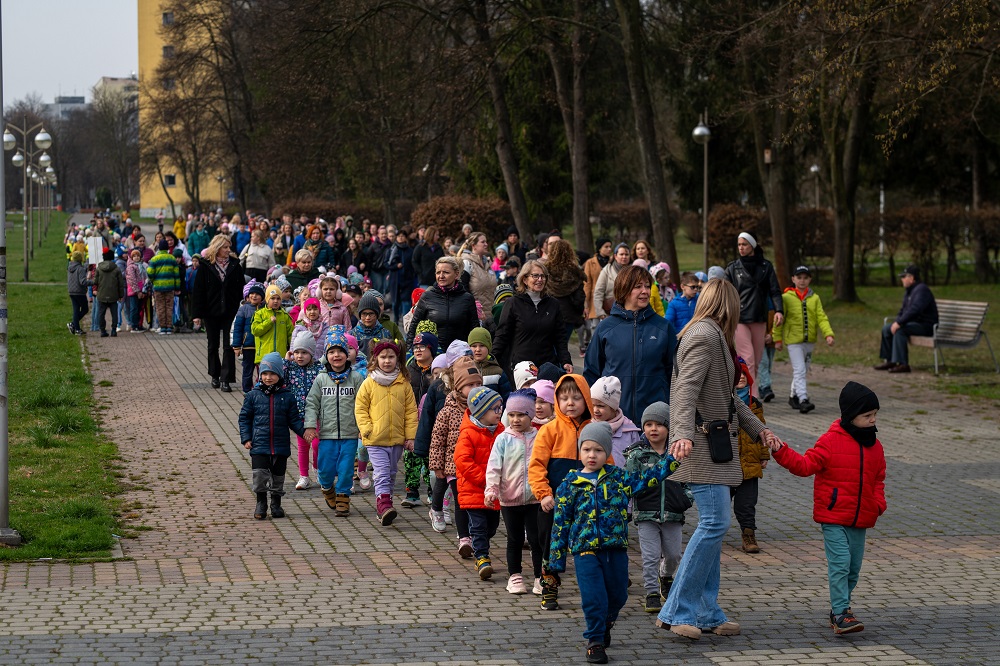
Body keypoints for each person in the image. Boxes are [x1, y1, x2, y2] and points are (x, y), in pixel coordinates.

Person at [654, 278, 776, 640]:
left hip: (713, 448)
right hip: (701, 447)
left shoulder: (711, 336)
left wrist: (758, 430)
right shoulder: (704, 337)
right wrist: (680, 435)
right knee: (714, 524)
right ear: (729, 306)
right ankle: (677, 610)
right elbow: (684, 391)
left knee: (715, 526)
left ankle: (707, 612)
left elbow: (729, 399)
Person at [548, 421, 678, 664]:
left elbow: (648, 478)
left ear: (606, 452)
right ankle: (595, 641)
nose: (592, 455)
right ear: (580, 451)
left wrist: (671, 461)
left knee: (618, 595)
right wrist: (554, 562)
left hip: (615, 548)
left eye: (598, 450)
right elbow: (560, 524)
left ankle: (606, 623)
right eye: (586, 449)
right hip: (585, 551)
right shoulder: (569, 484)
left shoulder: (618, 478)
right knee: (594, 597)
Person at [769, 381, 887, 635]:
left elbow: (879, 478)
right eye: (867, 415)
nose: (872, 420)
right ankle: (842, 612)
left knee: (853, 570)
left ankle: (839, 610)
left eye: (874, 415)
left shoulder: (875, 446)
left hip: (862, 517)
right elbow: (804, 466)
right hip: (833, 516)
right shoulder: (830, 441)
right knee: (841, 563)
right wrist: (781, 451)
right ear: (851, 416)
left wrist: (878, 503)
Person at [528, 373, 595, 611]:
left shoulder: (595, 430)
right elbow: (536, 466)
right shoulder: (549, 431)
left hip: (588, 504)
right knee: (550, 546)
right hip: (554, 503)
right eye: (564, 398)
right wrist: (544, 493)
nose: (570, 403)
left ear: (586, 399)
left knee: (589, 547)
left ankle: (593, 587)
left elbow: (607, 465)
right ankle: (549, 586)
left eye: (576, 398)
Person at [584, 265, 675, 426]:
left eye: (647, 286)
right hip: (613, 421)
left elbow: (674, 374)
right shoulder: (605, 328)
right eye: (638, 287)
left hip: (655, 422)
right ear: (624, 290)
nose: (645, 291)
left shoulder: (663, 328)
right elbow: (591, 373)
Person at [624, 402, 691, 613]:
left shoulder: (678, 454)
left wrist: (686, 498)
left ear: (669, 428)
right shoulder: (637, 455)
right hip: (646, 515)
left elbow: (688, 481)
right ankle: (651, 592)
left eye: (659, 424)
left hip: (673, 513)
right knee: (650, 556)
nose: (653, 429)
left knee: (673, 555)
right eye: (648, 424)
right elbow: (630, 484)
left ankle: (666, 575)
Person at [485, 388, 543, 595]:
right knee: (515, 538)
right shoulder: (503, 439)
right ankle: (515, 576)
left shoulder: (540, 437)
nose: (516, 419)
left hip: (535, 499)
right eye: (511, 415)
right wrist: (491, 490)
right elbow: (494, 466)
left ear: (531, 415)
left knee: (537, 540)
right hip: (510, 498)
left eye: (521, 415)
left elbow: (545, 465)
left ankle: (540, 577)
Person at [354, 340, 419, 526]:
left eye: (391, 357)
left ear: (397, 359)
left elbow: (411, 411)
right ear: (376, 359)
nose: (387, 361)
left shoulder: (403, 384)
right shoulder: (369, 383)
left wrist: (410, 436)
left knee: (391, 473)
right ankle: (384, 504)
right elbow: (360, 408)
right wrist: (367, 429)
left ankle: (384, 503)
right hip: (375, 438)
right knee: (381, 472)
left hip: (397, 439)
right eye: (383, 357)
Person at [304, 328, 366, 516]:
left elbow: (363, 405)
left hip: (349, 434)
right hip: (327, 435)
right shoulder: (321, 379)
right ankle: (327, 489)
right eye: (331, 351)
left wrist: (363, 428)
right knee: (325, 471)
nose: (336, 355)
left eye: (340, 351)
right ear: (326, 356)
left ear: (347, 355)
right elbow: (312, 403)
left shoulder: (356, 378)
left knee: (346, 470)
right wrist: (310, 426)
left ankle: (343, 498)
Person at [239, 352, 306, 520]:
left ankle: (276, 503)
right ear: (260, 375)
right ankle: (261, 502)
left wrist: (304, 432)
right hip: (259, 444)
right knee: (260, 476)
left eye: (272, 374)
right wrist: (246, 438)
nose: (268, 377)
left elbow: (294, 420)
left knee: (278, 477)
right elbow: (244, 418)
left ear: (279, 375)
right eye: (264, 374)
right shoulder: (253, 396)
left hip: (280, 445)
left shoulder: (287, 396)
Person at [428, 356, 482, 552]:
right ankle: (465, 538)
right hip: (453, 466)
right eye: (470, 385)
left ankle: (477, 533)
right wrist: (437, 466)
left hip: (477, 466)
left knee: (475, 503)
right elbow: (437, 441)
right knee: (461, 501)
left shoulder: (483, 410)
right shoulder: (447, 411)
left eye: (478, 383)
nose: (475, 388)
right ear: (458, 387)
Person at [454, 386, 506, 581]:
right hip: (474, 490)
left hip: (494, 492)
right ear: (482, 412)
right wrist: (486, 480)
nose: (499, 412)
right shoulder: (468, 433)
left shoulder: (501, 431)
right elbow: (462, 460)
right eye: (495, 408)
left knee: (491, 526)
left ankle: (480, 545)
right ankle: (482, 557)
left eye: (500, 407)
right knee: (478, 525)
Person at [724, 232, 784, 396]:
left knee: (756, 361)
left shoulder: (766, 266)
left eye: (744, 244)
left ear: (753, 245)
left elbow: (775, 291)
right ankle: (752, 397)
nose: (741, 248)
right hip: (739, 319)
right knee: (748, 359)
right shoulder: (732, 268)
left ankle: (744, 393)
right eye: (739, 245)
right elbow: (724, 292)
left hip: (759, 318)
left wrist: (779, 310)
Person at [492, 260, 573, 377]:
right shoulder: (513, 303)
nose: (540, 279)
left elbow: (560, 337)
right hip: (522, 368)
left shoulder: (553, 304)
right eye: (535, 276)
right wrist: (491, 361)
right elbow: (502, 335)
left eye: (543, 276)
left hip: (547, 366)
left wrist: (566, 361)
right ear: (524, 279)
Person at [773, 265, 835, 412]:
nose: (802, 281)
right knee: (799, 369)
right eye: (799, 277)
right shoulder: (786, 298)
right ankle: (803, 399)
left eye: (805, 278)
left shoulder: (815, 298)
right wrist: (777, 339)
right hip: (793, 341)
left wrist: (828, 334)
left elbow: (821, 317)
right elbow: (779, 320)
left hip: (809, 341)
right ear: (793, 279)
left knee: (803, 370)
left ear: (810, 280)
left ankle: (793, 396)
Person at [192, 235, 245, 392]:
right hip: (211, 311)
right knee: (212, 345)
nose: (229, 250)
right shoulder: (206, 266)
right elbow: (198, 291)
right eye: (225, 247)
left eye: (229, 247)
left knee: (229, 345)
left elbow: (241, 289)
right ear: (217, 248)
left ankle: (226, 379)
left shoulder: (235, 265)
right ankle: (215, 374)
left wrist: (242, 309)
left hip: (230, 310)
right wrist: (197, 314)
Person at [731, 359, 771, 554]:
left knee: (746, 503)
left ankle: (748, 534)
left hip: (749, 463)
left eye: (744, 374)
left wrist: (764, 455)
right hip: (727, 464)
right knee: (719, 504)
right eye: (737, 374)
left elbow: (762, 431)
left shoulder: (755, 405)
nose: (740, 377)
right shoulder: (722, 403)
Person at [874, 264, 937, 374]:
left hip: (925, 326)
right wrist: (897, 321)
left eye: (904, 277)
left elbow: (915, 310)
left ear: (911, 278)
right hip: (913, 324)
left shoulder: (922, 290)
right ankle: (890, 361)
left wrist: (899, 323)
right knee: (887, 329)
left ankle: (903, 364)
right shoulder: (909, 291)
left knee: (900, 330)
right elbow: (903, 310)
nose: (902, 279)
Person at [406, 256, 479, 351]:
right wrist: (409, 353)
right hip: (432, 354)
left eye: (446, 272)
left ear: (456, 274)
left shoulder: (467, 298)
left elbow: (474, 329)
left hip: (459, 354)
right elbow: (413, 327)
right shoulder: (427, 297)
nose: (441, 276)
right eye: (438, 273)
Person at [284, 330, 324, 490]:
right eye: (296, 352)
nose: (299, 356)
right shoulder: (291, 367)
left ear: (312, 353)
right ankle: (303, 476)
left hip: (316, 415)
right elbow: (282, 379)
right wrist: (286, 362)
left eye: (304, 353)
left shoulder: (319, 368)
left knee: (317, 444)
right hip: (299, 415)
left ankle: (317, 468)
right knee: (302, 446)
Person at [403, 331, 438, 507]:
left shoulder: (437, 370)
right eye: (415, 347)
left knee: (429, 457)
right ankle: (412, 492)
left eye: (422, 347)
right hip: (412, 420)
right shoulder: (410, 370)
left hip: (431, 421)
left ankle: (433, 492)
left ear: (431, 349)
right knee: (410, 456)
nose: (418, 350)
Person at [545, 239, 588, 352]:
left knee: (549, 347)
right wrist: (578, 313)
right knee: (562, 347)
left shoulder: (545, 270)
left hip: (547, 313)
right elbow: (579, 299)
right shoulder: (575, 272)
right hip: (568, 316)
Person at [589, 376, 640, 466]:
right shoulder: (587, 427)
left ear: (613, 407)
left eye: (601, 406)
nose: (595, 410)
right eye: (592, 405)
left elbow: (638, 459)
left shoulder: (629, 430)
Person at [457, 232, 498, 324]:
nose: (486, 244)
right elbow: (463, 288)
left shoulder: (488, 263)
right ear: (473, 245)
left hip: (491, 314)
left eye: (486, 242)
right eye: (483, 242)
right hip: (475, 316)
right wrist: (475, 307)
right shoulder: (466, 263)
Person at [232, 282, 264, 393]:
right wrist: (236, 345)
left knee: (262, 369)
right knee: (247, 369)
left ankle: (261, 388)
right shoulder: (243, 309)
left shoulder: (265, 309)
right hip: (248, 345)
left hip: (262, 346)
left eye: (257, 294)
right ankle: (247, 390)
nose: (254, 296)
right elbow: (238, 328)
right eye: (252, 293)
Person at [581, 238, 612, 355]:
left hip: (610, 299)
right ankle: (595, 352)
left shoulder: (612, 262)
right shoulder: (590, 262)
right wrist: (586, 305)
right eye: (606, 246)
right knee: (595, 327)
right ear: (599, 248)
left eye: (610, 247)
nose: (609, 249)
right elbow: (587, 284)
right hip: (595, 300)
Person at [252, 285, 294, 362]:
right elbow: (255, 331)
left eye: (278, 299)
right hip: (264, 356)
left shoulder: (285, 316)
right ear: (267, 299)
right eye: (272, 298)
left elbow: (291, 336)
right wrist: (269, 322)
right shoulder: (259, 314)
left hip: (280, 357)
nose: (275, 301)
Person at [467, 327, 511, 400]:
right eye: (474, 346)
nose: (478, 349)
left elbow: (507, 397)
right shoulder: (466, 369)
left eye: (482, 345)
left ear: (489, 347)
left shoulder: (498, 372)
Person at [146, 240, 180, 334]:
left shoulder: (154, 259)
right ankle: (169, 327)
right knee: (169, 307)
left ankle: (163, 327)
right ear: (168, 248)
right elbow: (176, 275)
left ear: (159, 248)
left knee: (160, 307)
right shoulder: (172, 259)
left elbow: (150, 272)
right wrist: (177, 288)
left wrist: (153, 281)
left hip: (158, 287)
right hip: (170, 287)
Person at [592, 243, 630, 320]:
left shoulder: (633, 271)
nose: (624, 257)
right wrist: (601, 313)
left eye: (626, 254)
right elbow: (598, 292)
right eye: (621, 254)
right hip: (610, 313)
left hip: (629, 313)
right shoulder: (607, 270)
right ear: (615, 256)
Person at [95, 249, 125, 337]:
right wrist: (121, 295)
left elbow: (95, 281)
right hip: (113, 294)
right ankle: (113, 330)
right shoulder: (116, 268)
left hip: (102, 294)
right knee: (114, 313)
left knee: (101, 313)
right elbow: (120, 283)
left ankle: (102, 330)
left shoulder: (99, 268)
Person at [67, 251, 93, 336]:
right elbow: (83, 282)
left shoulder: (70, 267)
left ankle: (76, 328)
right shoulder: (80, 269)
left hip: (71, 291)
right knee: (85, 309)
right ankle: (74, 325)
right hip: (79, 292)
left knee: (76, 310)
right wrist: (93, 282)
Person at [124, 248, 148, 333]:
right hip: (134, 291)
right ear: (131, 257)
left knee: (138, 308)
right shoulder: (131, 267)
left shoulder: (142, 265)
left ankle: (138, 325)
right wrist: (137, 291)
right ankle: (134, 326)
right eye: (134, 256)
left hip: (140, 290)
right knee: (134, 308)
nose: (137, 257)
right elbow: (132, 280)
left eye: (138, 255)